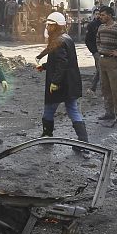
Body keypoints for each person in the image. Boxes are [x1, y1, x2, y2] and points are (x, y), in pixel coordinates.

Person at [36, 12, 88, 145]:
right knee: (73, 110)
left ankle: (47, 137)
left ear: (56, 26)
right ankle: (83, 141)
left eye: (49, 25)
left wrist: (55, 82)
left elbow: (61, 63)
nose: (47, 27)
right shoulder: (66, 38)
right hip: (71, 83)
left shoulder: (58, 41)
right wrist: (45, 66)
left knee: (49, 109)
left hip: (61, 84)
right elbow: (60, 61)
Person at [84, 11, 102, 92]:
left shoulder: (104, 24)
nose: (98, 16)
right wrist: (94, 51)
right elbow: (88, 40)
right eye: (97, 14)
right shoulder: (92, 25)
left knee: (101, 70)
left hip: (105, 50)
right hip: (96, 50)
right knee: (100, 69)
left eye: (100, 14)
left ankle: (94, 87)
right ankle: (95, 87)